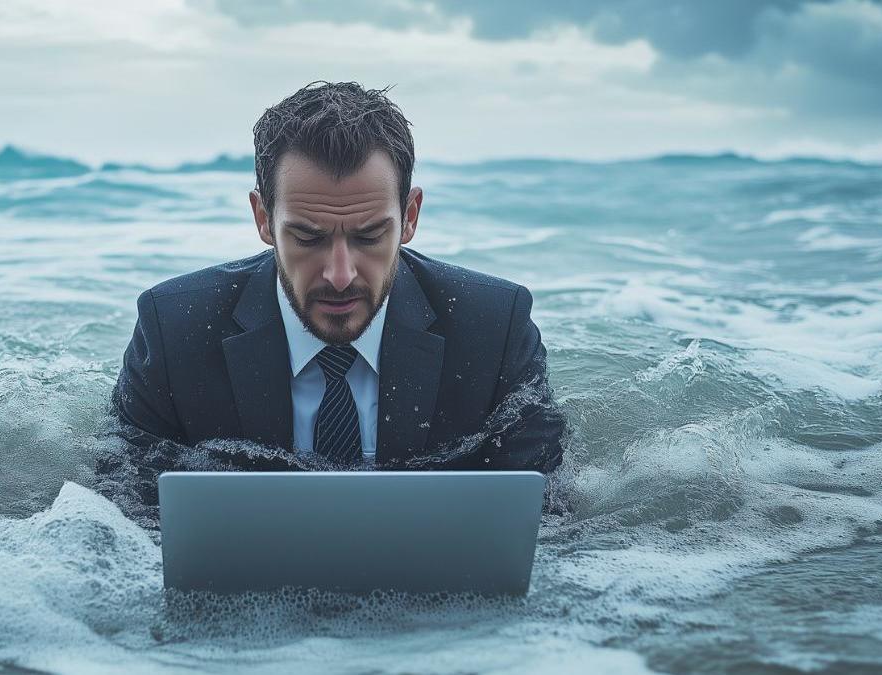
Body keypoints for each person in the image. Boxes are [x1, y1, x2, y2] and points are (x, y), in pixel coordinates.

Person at [96, 81, 567, 517]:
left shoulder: (494, 330)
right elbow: (120, 516)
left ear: (410, 216)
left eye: (368, 237)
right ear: (263, 218)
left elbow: (547, 519)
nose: (339, 275)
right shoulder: (173, 329)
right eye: (307, 237)